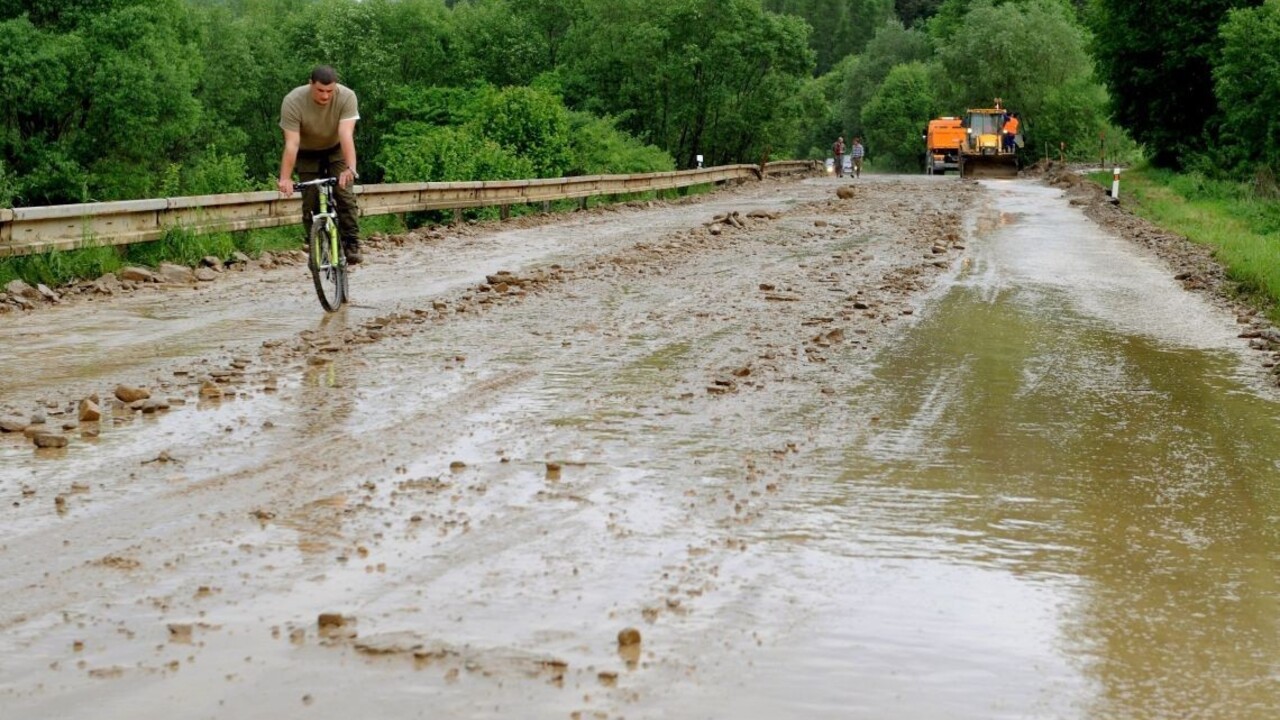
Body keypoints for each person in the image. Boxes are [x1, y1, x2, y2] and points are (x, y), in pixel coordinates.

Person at [277, 65, 363, 265]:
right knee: (310, 201)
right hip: (307, 152)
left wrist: (350, 168)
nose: (325, 96)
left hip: (336, 149)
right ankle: (317, 246)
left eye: (329, 91)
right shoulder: (293, 101)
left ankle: (352, 242)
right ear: (310, 84)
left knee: (344, 193)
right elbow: (292, 143)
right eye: (320, 90)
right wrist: (285, 178)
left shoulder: (347, 97)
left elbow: (346, 135)